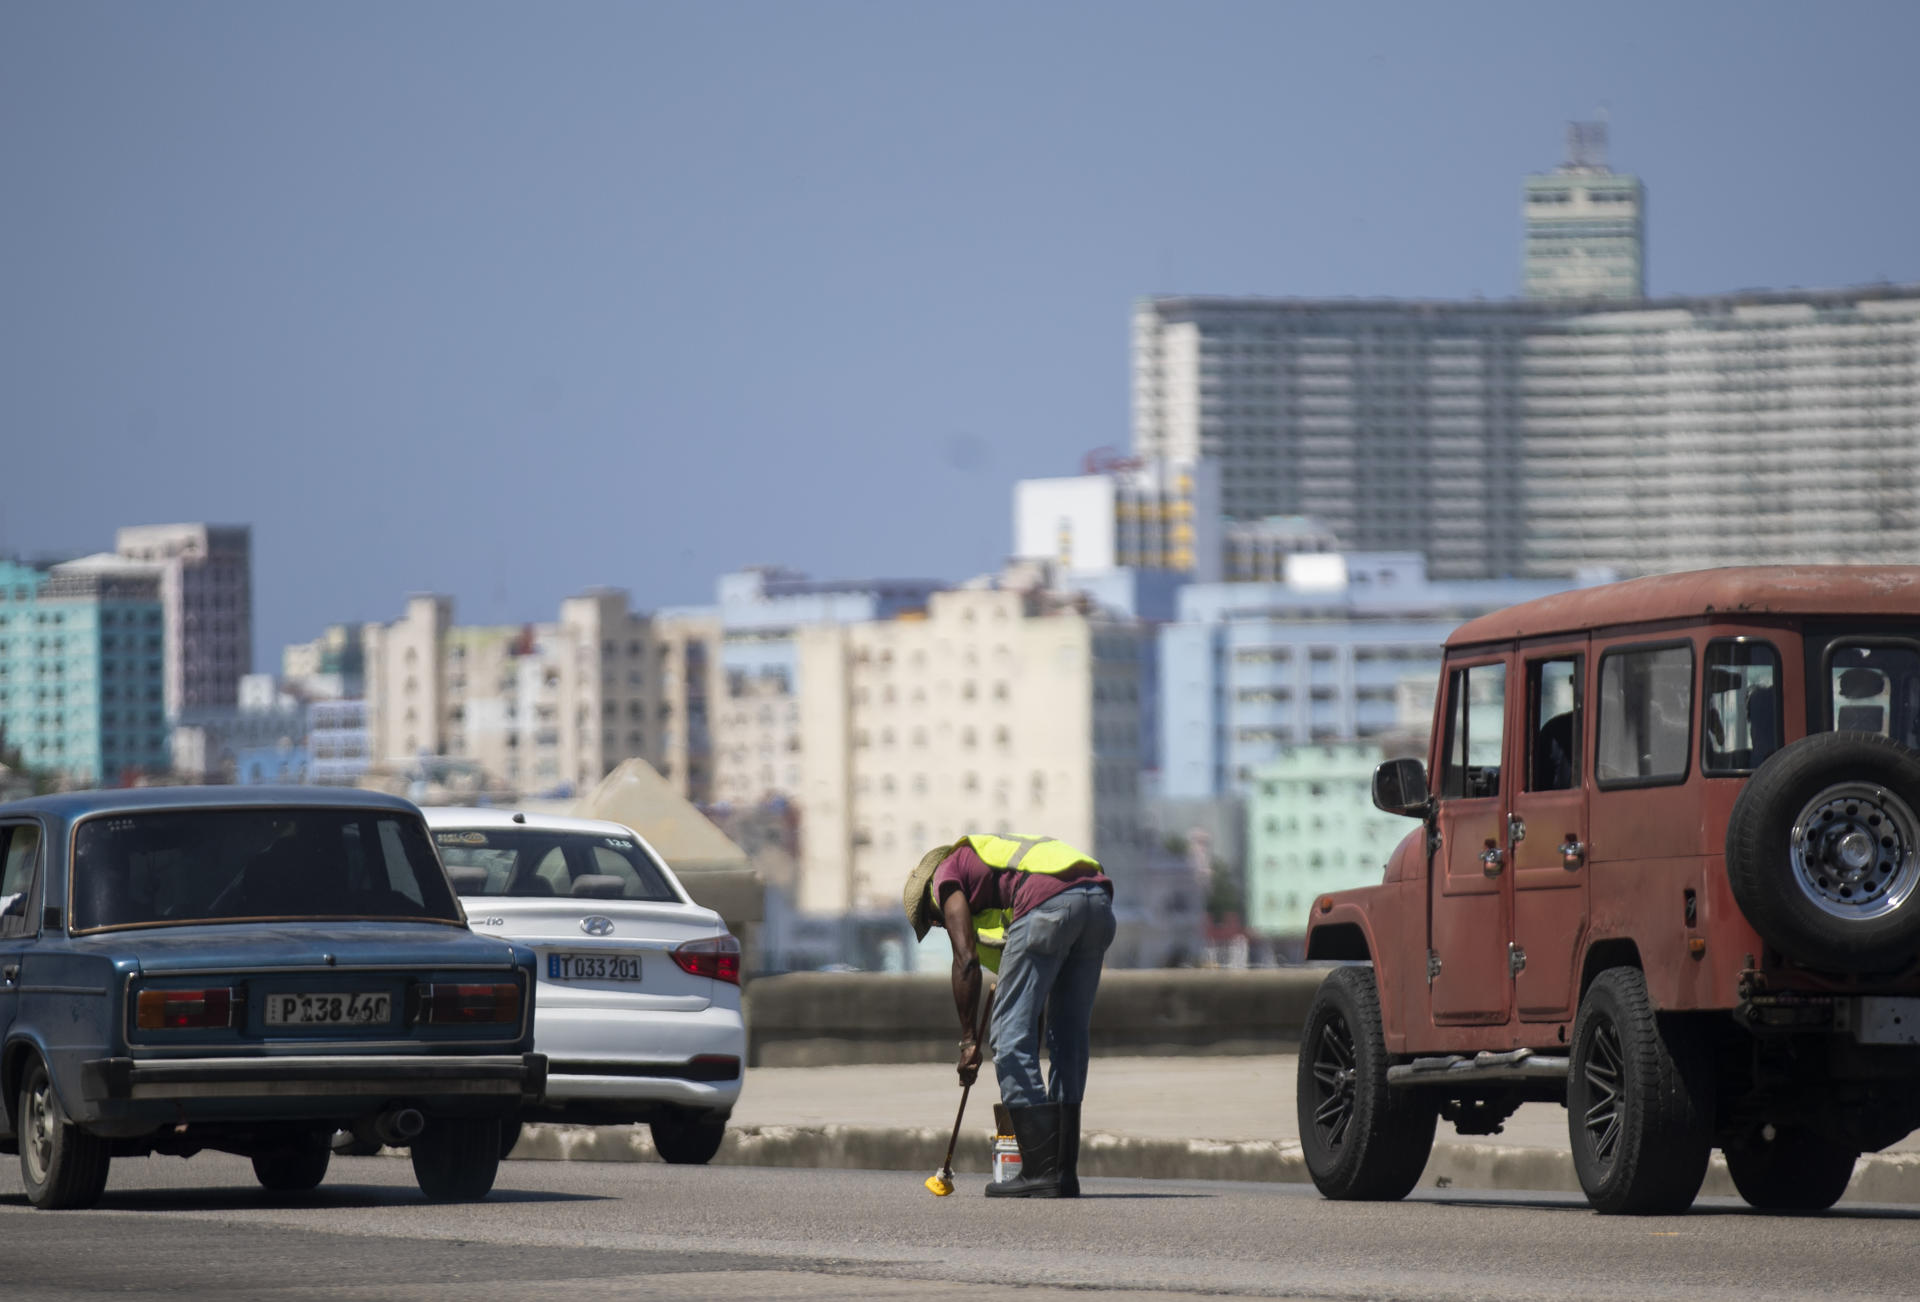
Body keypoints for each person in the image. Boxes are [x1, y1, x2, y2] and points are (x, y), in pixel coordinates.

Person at [903, 833, 1116, 1198]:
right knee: (1069, 1037)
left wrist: (969, 1043)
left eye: (933, 920)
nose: (940, 925)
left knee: (1004, 1035)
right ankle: (1062, 1173)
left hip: (1049, 903)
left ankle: (1038, 1171)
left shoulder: (946, 876)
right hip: (1096, 900)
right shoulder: (994, 874)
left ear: (931, 895)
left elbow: (966, 960)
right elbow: (1029, 1011)